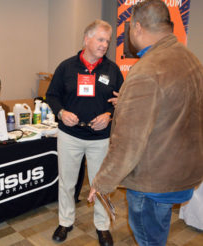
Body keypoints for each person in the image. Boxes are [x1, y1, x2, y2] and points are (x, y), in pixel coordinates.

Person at [88, 1, 203, 246]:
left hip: (153, 180)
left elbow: (129, 140)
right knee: (158, 232)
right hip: (182, 173)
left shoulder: (147, 70)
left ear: (137, 27)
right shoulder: (191, 59)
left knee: (150, 239)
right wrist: (130, 102)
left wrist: (103, 181)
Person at [46, 19, 123, 246]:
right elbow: (52, 96)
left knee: (100, 184)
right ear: (86, 39)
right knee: (67, 183)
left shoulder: (112, 69)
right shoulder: (66, 67)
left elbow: (120, 100)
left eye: (107, 41)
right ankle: (65, 221)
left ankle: (102, 226)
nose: (104, 45)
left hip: (100, 138)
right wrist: (61, 112)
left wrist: (109, 114)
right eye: (100, 39)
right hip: (70, 135)